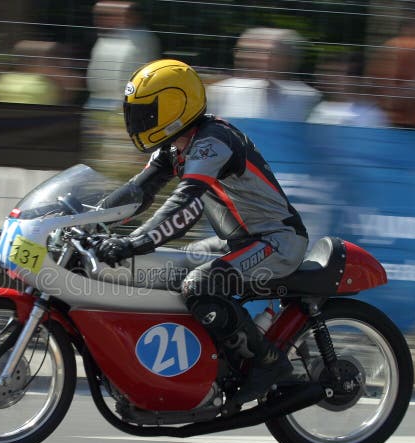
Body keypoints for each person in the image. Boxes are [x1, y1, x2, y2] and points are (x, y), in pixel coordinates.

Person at [95, 59, 309, 406]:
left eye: (147, 112)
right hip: (238, 240)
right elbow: (137, 192)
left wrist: (136, 241)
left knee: (199, 285)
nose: (138, 121)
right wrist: (89, 223)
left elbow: (184, 201)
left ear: (177, 106)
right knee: (165, 272)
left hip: (276, 240)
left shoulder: (213, 141)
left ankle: (267, 363)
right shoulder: (175, 145)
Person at [206, 27, 320, 121]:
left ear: (289, 59)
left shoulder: (307, 99)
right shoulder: (221, 93)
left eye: (269, 53)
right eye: (249, 51)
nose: (257, 58)